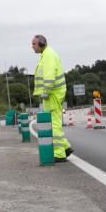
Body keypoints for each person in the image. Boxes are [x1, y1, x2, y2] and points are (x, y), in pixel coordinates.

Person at [31, 34, 72, 162]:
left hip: (52, 93)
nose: (32, 47)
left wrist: (46, 91)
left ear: (41, 44)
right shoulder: (46, 54)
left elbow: (49, 75)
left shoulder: (48, 55)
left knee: (54, 124)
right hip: (52, 93)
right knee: (52, 122)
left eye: (34, 44)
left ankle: (59, 154)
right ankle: (65, 148)